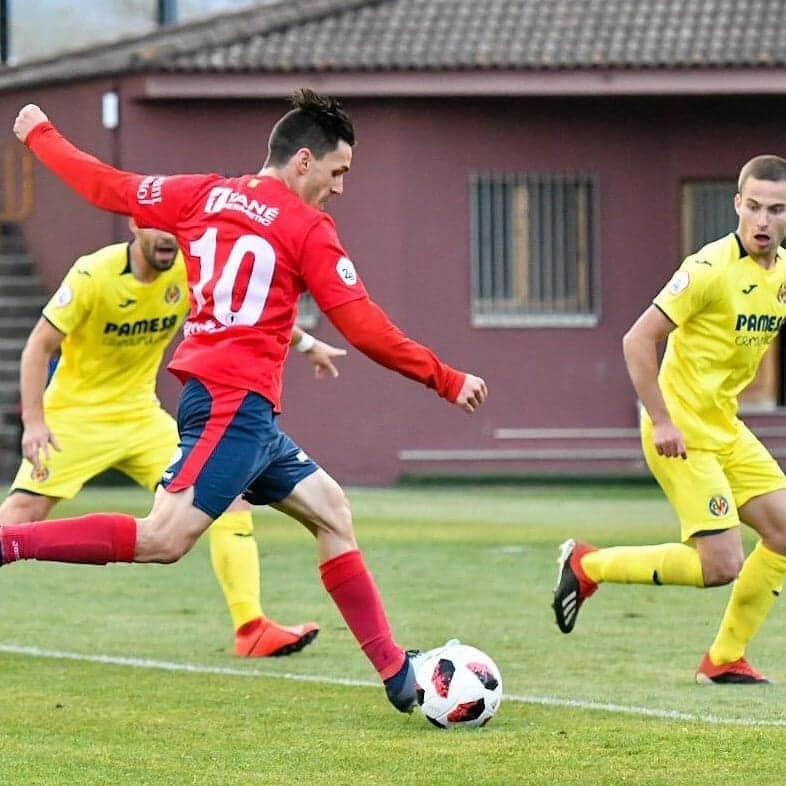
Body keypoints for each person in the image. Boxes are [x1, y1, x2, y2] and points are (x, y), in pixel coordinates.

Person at [7, 89, 488, 713]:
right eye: (338, 172)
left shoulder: (200, 195)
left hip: (242, 410)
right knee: (164, 538)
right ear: (304, 161)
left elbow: (107, 186)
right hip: (234, 405)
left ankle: (398, 676)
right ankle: (9, 542)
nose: (340, 188)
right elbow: (364, 327)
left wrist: (41, 132)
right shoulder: (306, 226)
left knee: (332, 513)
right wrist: (445, 378)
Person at [0, 219, 347, 658]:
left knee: (227, 498)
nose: (167, 240)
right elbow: (38, 347)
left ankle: (251, 627)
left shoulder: (189, 272)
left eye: (173, 232)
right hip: (75, 419)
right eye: (157, 230)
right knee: (20, 514)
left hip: (141, 417)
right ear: (133, 227)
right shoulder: (93, 273)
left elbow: (241, 313)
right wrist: (35, 422)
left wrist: (307, 345)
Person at [552, 154, 786, 684]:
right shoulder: (707, 269)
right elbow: (637, 340)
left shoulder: (782, 276)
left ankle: (725, 659)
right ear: (737, 205)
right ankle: (588, 565)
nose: (763, 221)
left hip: (724, 427)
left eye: (776, 210)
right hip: (679, 430)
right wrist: (661, 420)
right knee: (720, 564)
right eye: (754, 207)